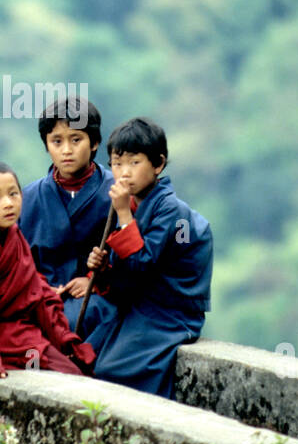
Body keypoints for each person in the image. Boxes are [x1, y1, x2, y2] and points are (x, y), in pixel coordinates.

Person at [0, 160, 96, 392]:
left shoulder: (13, 234)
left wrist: (60, 334)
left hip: (19, 327)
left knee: (76, 368)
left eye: (13, 194)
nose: (8, 203)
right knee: (66, 376)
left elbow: (31, 286)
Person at [85, 117, 213, 399]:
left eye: (134, 162)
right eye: (116, 163)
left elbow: (142, 263)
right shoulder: (134, 204)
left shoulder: (170, 210)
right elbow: (126, 268)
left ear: (158, 164)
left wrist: (123, 216)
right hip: (139, 303)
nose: (123, 172)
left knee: (112, 369)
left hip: (171, 311)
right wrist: (104, 267)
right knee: (86, 353)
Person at [18, 96, 115, 334]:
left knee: (76, 321)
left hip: (96, 298)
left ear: (94, 143)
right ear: (46, 145)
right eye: (57, 141)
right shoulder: (29, 198)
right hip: (40, 294)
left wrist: (94, 280)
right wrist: (40, 287)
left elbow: (130, 255)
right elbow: (17, 258)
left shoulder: (116, 192)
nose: (66, 151)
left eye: (76, 139)